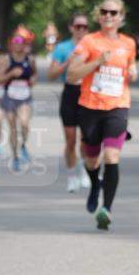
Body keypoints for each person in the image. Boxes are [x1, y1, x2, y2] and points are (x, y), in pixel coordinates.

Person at [67, 0, 137, 230]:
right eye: (104, 12)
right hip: (89, 107)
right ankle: (95, 184)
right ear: (99, 16)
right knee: (91, 158)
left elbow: (131, 68)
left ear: (121, 17)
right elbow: (72, 75)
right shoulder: (88, 41)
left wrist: (133, 72)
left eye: (113, 12)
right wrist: (97, 61)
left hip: (117, 107)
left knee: (111, 157)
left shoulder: (128, 44)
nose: (108, 16)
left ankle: (106, 209)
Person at [47, 12, 91, 193]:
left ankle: (83, 170)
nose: (81, 30)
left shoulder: (93, 45)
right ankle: (72, 175)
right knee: (70, 140)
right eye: (78, 26)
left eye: (84, 27)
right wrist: (67, 62)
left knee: (86, 139)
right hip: (70, 93)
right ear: (71, 28)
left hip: (88, 94)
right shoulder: (63, 48)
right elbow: (51, 75)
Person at [0, 34, 37, 173]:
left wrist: (32, 80)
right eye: (16, 42)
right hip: (9, 96)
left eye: (21, 42)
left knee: (25, 124)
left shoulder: (30, 59)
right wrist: (11, 74)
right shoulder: (5, 60)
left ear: (25, 44)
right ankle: (15, 157)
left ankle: (23, 145)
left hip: (25, 96)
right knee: (13, 127)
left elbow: (34, 74)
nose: (19, 44)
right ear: (11, 44)